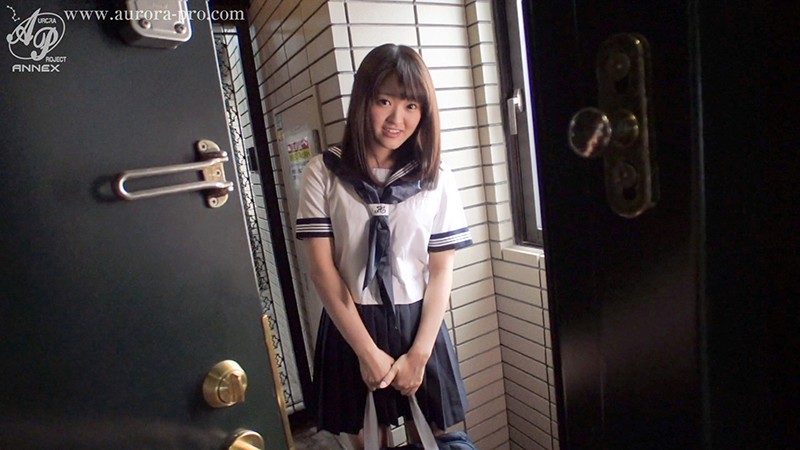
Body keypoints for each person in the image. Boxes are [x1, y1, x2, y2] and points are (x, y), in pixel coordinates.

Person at [295, 43, 472, 448]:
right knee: (367, 442)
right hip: (351, 323)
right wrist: (366, 352)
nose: (397, 119)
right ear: (363, 101)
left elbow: (441, 270)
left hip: (418, 325)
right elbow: (322, 270)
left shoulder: (436, 176)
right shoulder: (323, 172)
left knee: (438, 439)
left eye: (411, 105)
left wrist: (420, 354)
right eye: (384, 101)